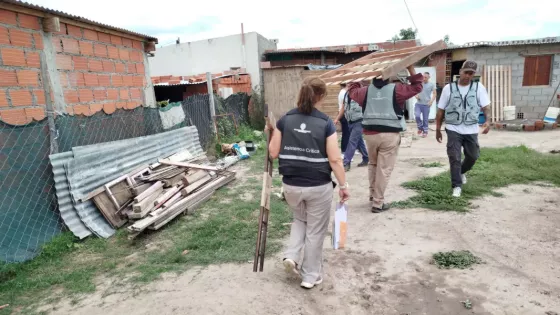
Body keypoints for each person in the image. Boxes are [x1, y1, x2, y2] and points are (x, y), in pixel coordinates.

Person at [268, 76, 350, 289]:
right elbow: (334, 159)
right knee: (315, 231)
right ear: (321, 96)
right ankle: (310, 276)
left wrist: (273, 132)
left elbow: (273, 152)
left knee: (300, 220)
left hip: (291, 186)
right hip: (318, 186)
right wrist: (343, 186)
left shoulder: (285, 119)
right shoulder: (325, 123)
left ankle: (292, 256)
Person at [346, 65, 423, 213]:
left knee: (373, 165)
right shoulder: (397, 89)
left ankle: (372, 195)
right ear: (389, 77)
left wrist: (358, 75)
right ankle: (378, 202)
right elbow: (417, 87)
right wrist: (411, 68)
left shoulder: (364, 91)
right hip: (389, 135)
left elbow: (352, 90)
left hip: (370, 135)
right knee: (384, 169)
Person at [435, 60, 490, 198]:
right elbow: (441, 110)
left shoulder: (479, 88)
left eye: (471, 74)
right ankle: (456, 186)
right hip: (453, 128)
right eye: (466, 72)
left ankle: (461, 171)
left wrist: (488, 121)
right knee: (455, 157)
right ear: (460, 72)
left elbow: (485, 106)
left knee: (473, 156)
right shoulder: (449, 88)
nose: (468, 76)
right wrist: (437, 128)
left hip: (471, 129)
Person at [338, 86, 369, 171]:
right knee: (359, 141)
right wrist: (337, 118)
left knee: (352, 141)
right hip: (350, 121)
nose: (349, 85)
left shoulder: (362, 94)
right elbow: (343, 108)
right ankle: (366, 158)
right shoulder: (346, 94)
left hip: (359, 120)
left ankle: (346, 163)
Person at [414, 72, 436, 138]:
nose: (424, 78)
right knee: (417, 116)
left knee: (425, 119)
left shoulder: (431, 85)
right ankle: (420, 128)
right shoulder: (419, 84)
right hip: (418, 104)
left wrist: (431, 101)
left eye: (425, 77)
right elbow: (415, 91)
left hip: (426, 105)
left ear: (429, 77)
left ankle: (425, 131)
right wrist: (416, 95)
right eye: (423, 77)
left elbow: (435, 93)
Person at [334, 83, 350, 158]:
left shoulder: (342, 92)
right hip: (344, 114)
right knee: (346, 133)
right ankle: (344, 151)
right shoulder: (344, 93)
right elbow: (344, 106)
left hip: (343, 114)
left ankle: (347, 150)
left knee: (347, 133)